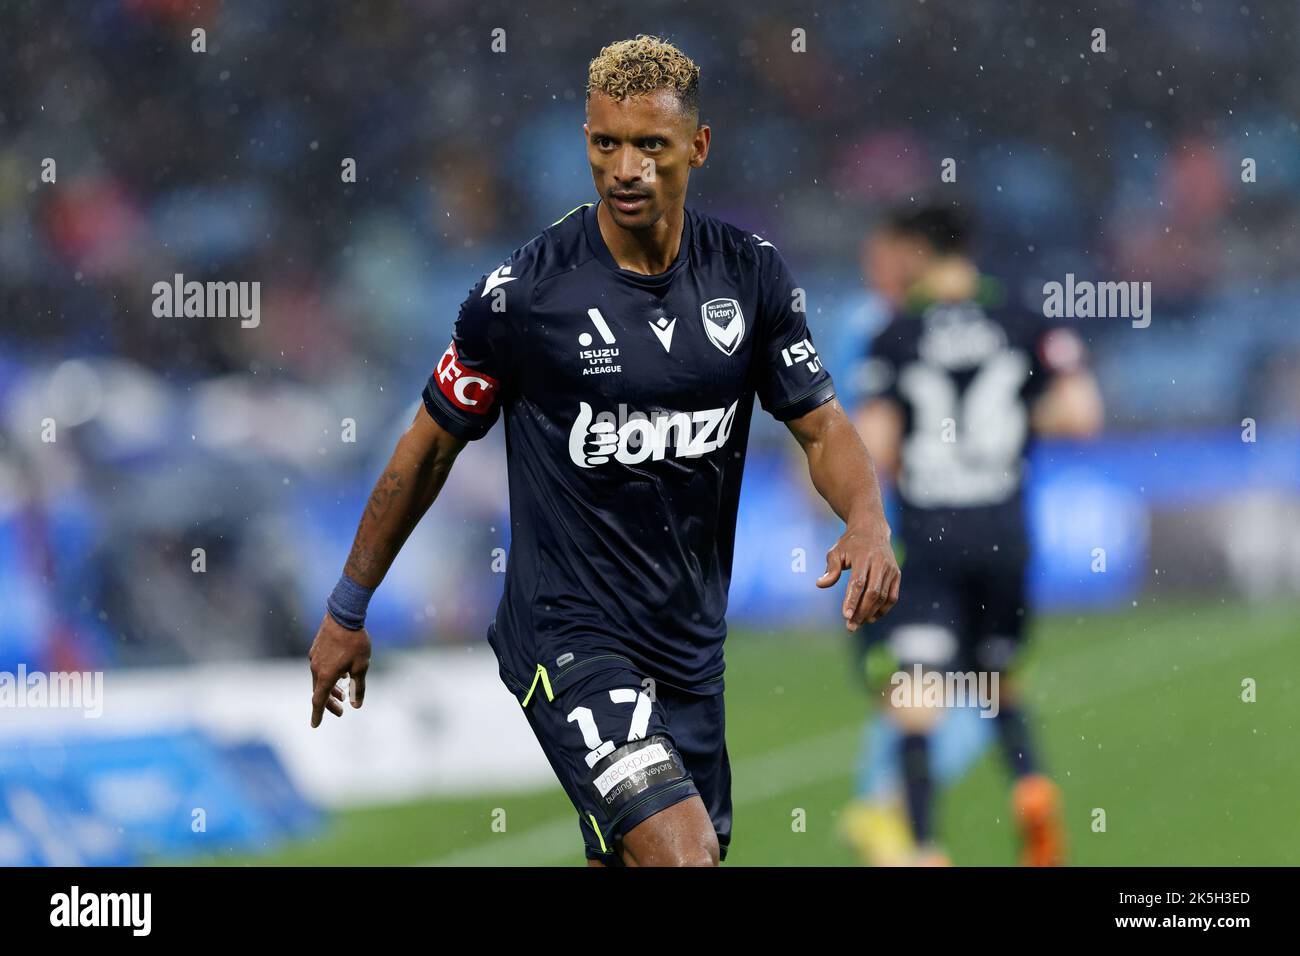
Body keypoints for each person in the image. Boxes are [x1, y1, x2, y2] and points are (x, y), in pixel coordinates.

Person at [306, 35, 900, 867]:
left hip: (689, 641)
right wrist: (346, 606)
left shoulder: (750, 275)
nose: (625, 168)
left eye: (650, 145)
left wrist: (867, 517)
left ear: (697, 147)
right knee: (683, 855)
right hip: (567, 632)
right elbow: (426, 450)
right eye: (604, 143)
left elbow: (822, 424)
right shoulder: (524, 297)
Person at [852, 203, 1103, 865]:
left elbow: (875, 444)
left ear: (916, 253)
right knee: (997, 680)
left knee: (916, 694)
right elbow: (1082, 413)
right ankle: (1031, 785)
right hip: (1004, 533)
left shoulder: (896, 333)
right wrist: (1013, 423)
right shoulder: (1022, 319)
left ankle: (926, 844)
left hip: (932, 537)